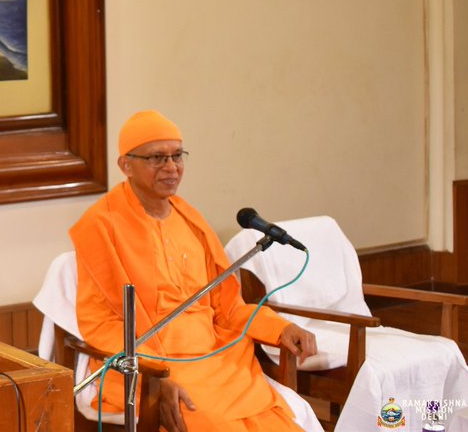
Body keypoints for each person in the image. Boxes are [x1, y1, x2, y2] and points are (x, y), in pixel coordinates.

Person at [68, 110, 317, 432]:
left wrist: (280, 328)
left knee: (274, 422)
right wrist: (153, 375)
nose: (171, 167)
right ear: (126, 165)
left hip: (218, 357)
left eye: (177, 155)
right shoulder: (100, 226)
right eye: (157, 158)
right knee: (216, 422)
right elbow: (100, 323)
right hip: (149, 363)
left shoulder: (192, 222)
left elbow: (227, 309)